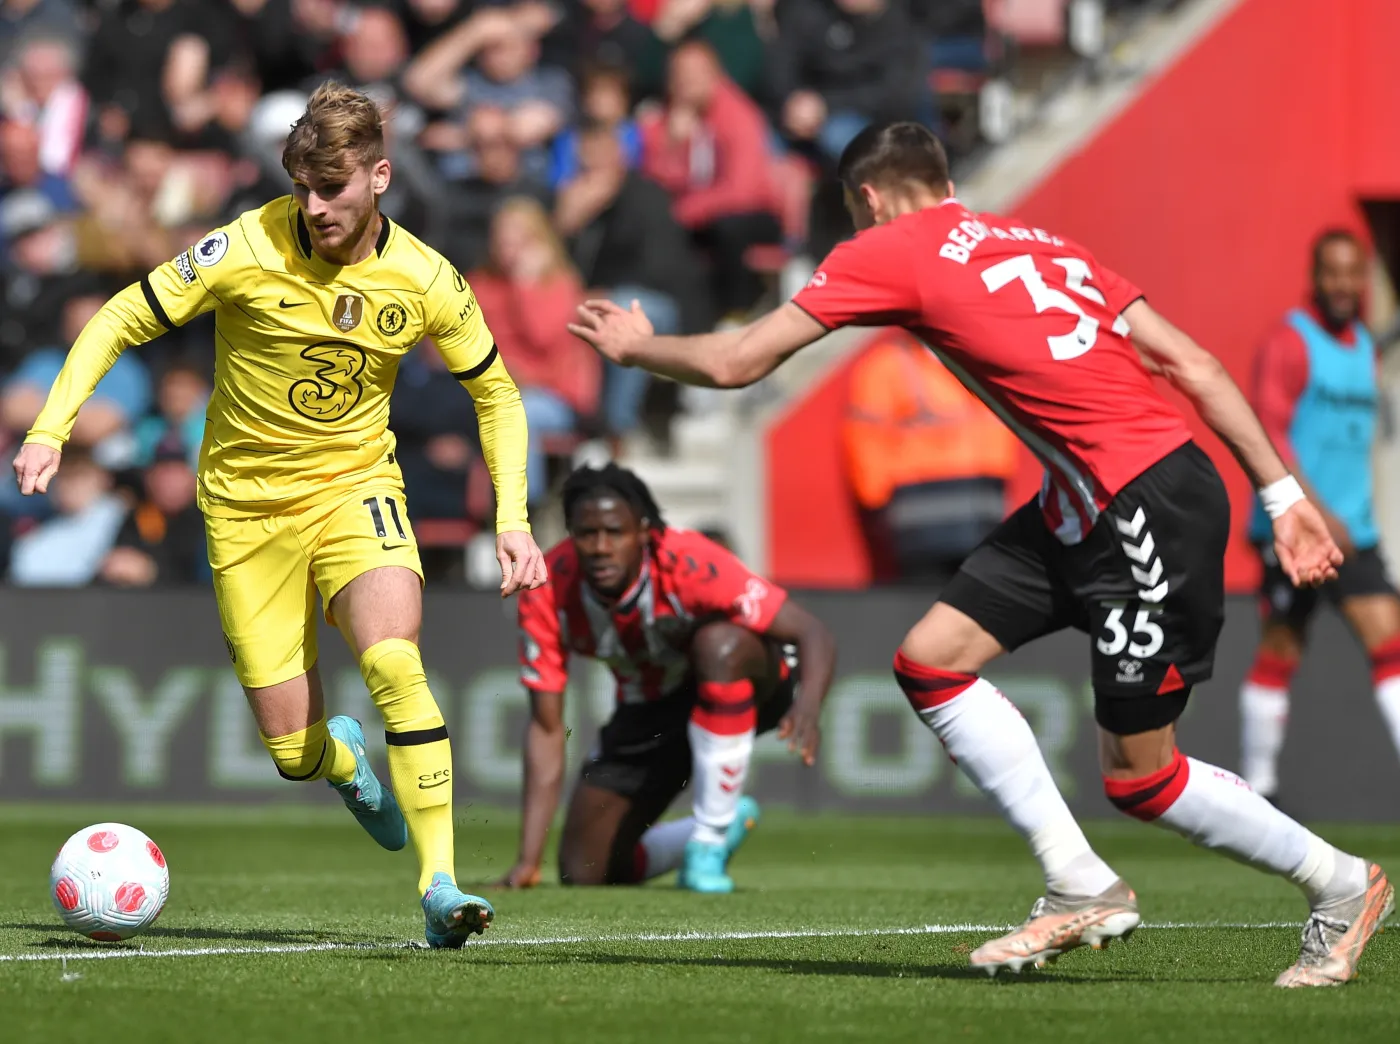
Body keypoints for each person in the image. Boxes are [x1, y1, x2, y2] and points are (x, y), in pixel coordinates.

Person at [569, 122, 1391, 987]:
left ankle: (1340, 885)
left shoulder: (888, 246)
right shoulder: (1039, 242)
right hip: (1092, 500)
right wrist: (1282, 496)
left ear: (871, 200)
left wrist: (638, 349)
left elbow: (739, 360)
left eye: (855, 217)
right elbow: (1192, 363)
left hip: (1138, 504)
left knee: (1142, 778)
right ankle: (1078, 881)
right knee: (931, 662)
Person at [12, 83, 547, 949]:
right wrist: (50, 427)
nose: (313, 206)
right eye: (301, 185)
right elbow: (118, 318)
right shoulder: (244, 245)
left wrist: (513, 520)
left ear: (379, 177)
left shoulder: (424, 278)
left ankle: (440, 885)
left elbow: (497, 392)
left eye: (331, 188)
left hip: (353, 492)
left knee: (394, 662)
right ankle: (341, 761)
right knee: (292, 753)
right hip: (243, 513)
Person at [503, 464, 836, 892]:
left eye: (615, 532)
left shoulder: (689, 561)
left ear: (644, 532)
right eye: (587, 533)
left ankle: (709, 847)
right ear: (570, 534)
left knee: (721, 645)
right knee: (584, 870)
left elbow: (812, 632)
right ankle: (717, 825)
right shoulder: (547, 587)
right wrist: (528, 861)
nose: (601, 547)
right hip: (649, 708)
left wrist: (809, 703)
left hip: (744, 679)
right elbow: (547, 728)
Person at [1239, 229, 1400, 800]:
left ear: (1363, 277)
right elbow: (1270, 434)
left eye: (1352, 273)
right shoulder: (1291, 341)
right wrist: (1314, 509)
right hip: (1295, 530)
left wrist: (1343, 518)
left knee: (1390, 644)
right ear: (1315, 275)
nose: (1343, 284)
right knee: (1282, 649)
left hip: (1353, 532)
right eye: (1332, 272)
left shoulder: (1363, 345)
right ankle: (1260, 789)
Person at [469, 197, 599, 504]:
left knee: (518, 413)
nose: (508, 248)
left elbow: (546, 340)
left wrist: (525, 285)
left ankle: (523, 508)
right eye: (502, 240)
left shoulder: (560, 284)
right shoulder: (480, 283)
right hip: (490, 386)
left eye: (519, 241)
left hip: (551, 395)